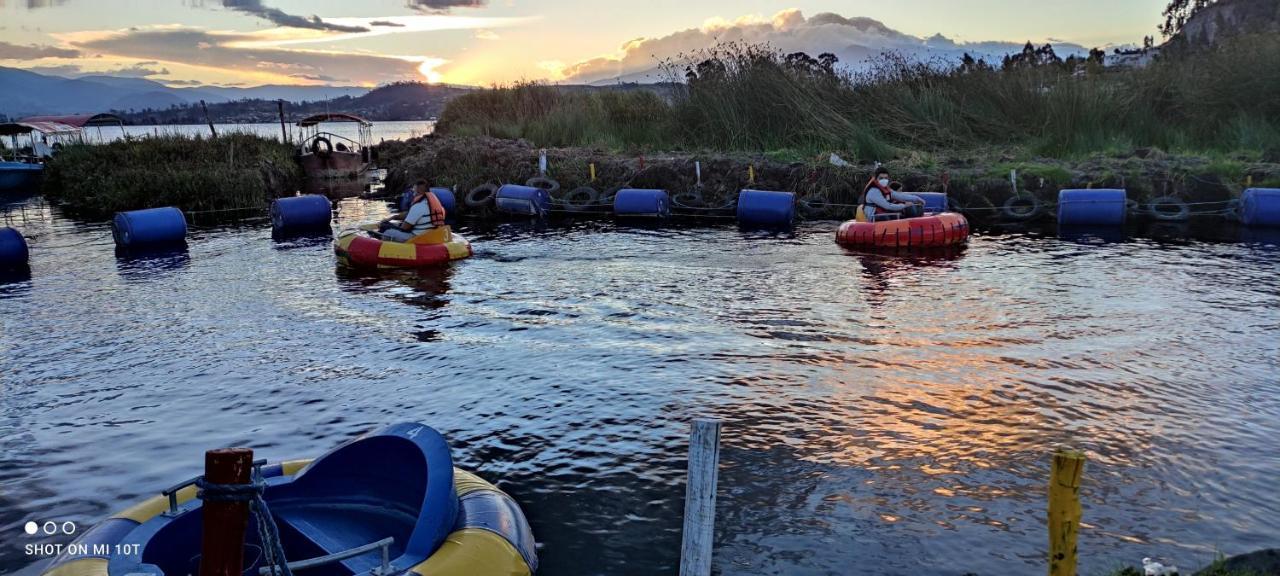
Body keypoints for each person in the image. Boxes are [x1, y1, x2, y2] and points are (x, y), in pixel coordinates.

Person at [379, 180, 446, 242]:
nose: (413, 194)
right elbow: (409, 214)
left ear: (418, 192)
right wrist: (393, 217)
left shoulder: (418, 206)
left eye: (414, 191)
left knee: (387, 232)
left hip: (417, 238)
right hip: (432, 236)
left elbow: (404, 228)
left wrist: (392, 227)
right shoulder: (436, 205)